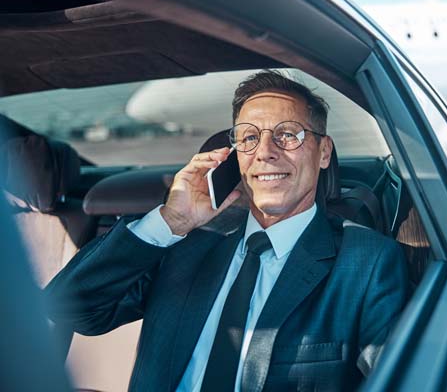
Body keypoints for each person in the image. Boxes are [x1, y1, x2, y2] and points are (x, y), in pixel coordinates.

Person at [45, 70, 408, 391]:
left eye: (288, 134)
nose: (265, 151)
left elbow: (399, 380)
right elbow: (70, 308)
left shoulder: (367, 262)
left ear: (323, 151)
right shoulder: (185, 246)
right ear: (234, 156)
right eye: (248, 138)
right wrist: (170, 222)